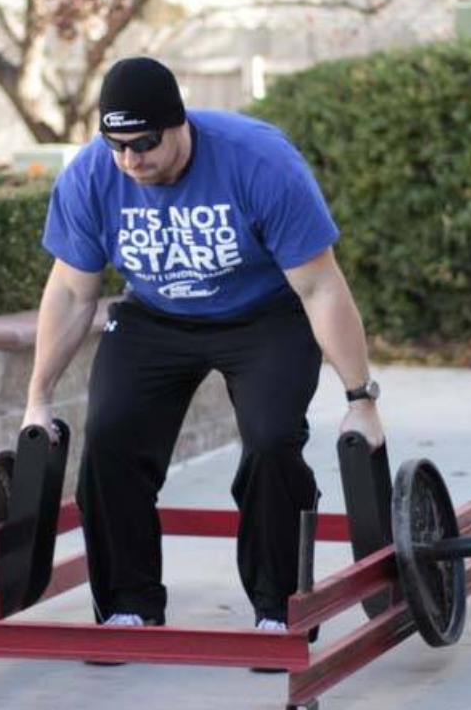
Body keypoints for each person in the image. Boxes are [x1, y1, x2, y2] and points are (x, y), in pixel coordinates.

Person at [21, 56, 384, 634]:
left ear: (178, 122)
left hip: (264, 315)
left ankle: (279, 609)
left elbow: (319, 285)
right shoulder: (93, 176)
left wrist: (360, 400)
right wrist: (37, 398)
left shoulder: (259, 162)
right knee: (111, 439)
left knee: (271, 442)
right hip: (155, 315)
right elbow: (70, 291)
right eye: (116, 144)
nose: (130, 160)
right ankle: (128, 605)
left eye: (143, 142)